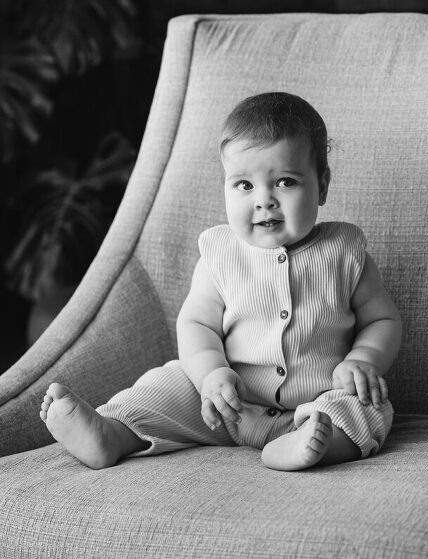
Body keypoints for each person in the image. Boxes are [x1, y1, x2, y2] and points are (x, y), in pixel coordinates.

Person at [40, 92, 402, 472]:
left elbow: (382, 320)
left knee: (367, 407)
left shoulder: (345, 253)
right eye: (244, 185)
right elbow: (196, 324)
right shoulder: (220, 255)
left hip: (316, 405)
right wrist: (211, 373)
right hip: (226, 405)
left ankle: (305, 446)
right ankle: (112, 432)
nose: (264, 200)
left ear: (322, 186)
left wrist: (362, 360)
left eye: (285, 182)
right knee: (166, 384)